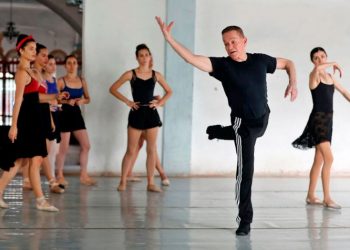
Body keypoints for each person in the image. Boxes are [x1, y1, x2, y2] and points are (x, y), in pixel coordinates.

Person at [155, 16, 297, 235]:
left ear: (244, 41)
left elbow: (288, 63)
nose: (230, 46)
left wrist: (293, 82)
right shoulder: (223, 66)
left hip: (263, 118)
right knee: (245, 171)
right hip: (243, 124)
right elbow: (191, 58)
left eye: (233, 41)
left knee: (245, 134)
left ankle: (218, 131)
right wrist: (169, 39)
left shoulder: (260, 60)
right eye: (226, 43)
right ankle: (245, 220)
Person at [0, 34, 59, 212]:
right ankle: (40, 200)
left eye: (35, 49)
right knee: (27, 161)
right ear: (21, 51)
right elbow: (17, 101)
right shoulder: (21, 73)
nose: (34, 51)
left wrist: (49, 117)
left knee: (25, 161)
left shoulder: (33, 72)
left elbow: (41, 99)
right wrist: (14, 125)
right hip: (28, 121)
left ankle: (40, 200)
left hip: (37, 121)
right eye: (31, 49)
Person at [292, 47, 350, 209]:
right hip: (318, 121)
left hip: (328, 122)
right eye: (316, 58)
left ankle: (310, 196)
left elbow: (344, 91)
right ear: (313, 61)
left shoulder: (330, 77)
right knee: (329, 158)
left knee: (319, 160)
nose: (320, 60)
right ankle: (327, 198)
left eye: (322, 56)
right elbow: (318, 68)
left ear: (326, 56)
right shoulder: (314, 76)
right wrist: (335, 63)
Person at [109, 43, 172, 192]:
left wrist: (160, 102)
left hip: (151, 114)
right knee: (131, 150)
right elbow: (112, 88)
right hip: (136, 113)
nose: (144, 58)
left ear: (150, 57)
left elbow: (169, 91)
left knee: (151, 149)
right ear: (137, 58)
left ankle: (151, 183)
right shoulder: (131, 74)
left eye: (146, 55)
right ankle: (123, 181)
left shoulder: (156, 75)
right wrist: (128, 101)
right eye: (141, 55)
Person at [22, 44, 64, 194]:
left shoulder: (41, 75)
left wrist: (51, 118)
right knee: (29, 156)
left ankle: (42, 187)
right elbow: (30, 98)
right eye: (44, 55)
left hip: (44, 115)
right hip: (33, 117)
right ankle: (47, 183)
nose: (47, 59)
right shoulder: (29, 73)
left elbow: (45, 100)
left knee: (36, 155)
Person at [55, 55, 96, 186]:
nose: (72, 65)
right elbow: (55, 99)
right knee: (64, 148)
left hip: (77, 115)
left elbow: (88, 98)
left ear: (77, 65)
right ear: (65, 66)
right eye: (69, 63)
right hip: (64, 115)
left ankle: (84, 175)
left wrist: (82, 100)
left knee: (86, 145)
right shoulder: (61, 81)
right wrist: (68, 101)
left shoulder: (82, 81)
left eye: (74, 63)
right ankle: (59, 175)